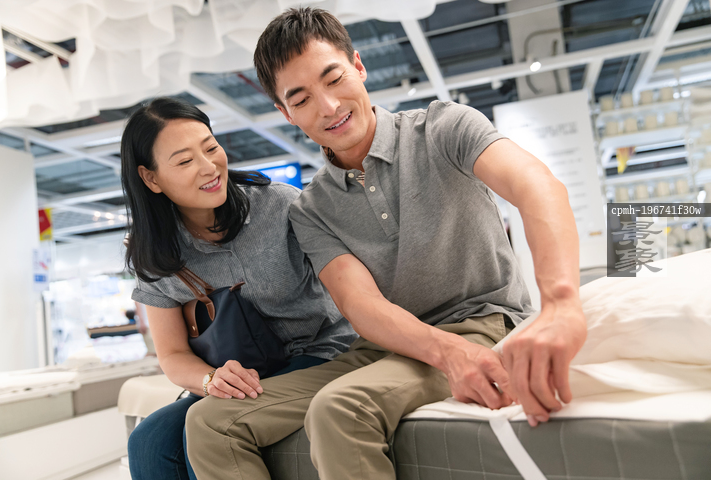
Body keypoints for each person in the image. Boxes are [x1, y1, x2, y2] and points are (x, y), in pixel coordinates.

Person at [185, 8, 587, 480]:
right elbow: (361, 305)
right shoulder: (311, 208)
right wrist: (445, 354)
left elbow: (537, 186)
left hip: (479, 323)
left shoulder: (444, 128)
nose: (328, 107)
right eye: (302, 99)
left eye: (334, 79)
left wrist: (561, 304)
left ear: (358, 66)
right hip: (385, 347)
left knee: (340, 408)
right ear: (285, 113)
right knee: (211, 422)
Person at [120, 97, 357, 480]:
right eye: (185, 161)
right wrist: (210, 379)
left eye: (210, 147)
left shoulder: (279, 206)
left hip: (319, 352)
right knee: (148, 441)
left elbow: (351, 285)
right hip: (241, 374)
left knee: (209, 425)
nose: (208, 166)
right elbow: (173, 354)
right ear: (151, 179)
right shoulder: (155, 254)